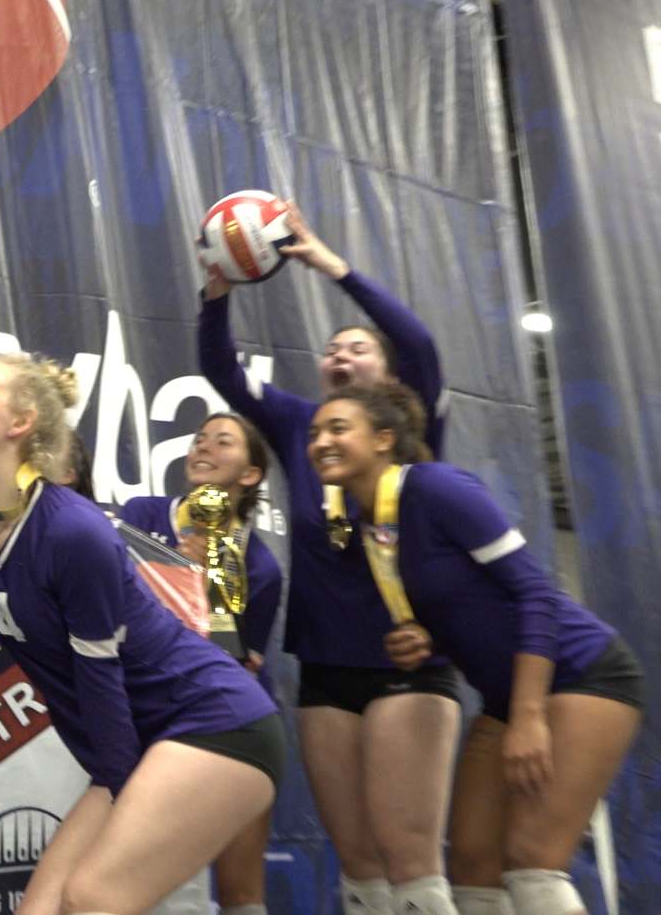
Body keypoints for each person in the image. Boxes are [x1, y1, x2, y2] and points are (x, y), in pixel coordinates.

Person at [0, 353, 284, 915]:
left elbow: (101, 685)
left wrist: (124, 806)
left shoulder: (72, 530)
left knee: (93, 899)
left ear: (20, 422)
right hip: (138, 745)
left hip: (218, 724)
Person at [198, 205, 459, 915]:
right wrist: (217, 289)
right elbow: (218, 367)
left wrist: (326, 263)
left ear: (388, 377)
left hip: (409, 664)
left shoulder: (410, 422)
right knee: (361, 874)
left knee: (412, 874)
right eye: (332, 351)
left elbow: (420, 342)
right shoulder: (300, 429)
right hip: (325, 668)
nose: (341, 357)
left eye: (357, 350)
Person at [310, 386, 644, 915]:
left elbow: (534, 592)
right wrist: (428, 638)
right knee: (471, 867)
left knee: (532, 863)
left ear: (383, 440)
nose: (321, 441)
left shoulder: (437, 487)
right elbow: (470, 604)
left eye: (337, 429)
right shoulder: (372, 524)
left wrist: (529, 716)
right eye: (315, 433)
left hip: (584, 674)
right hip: (505, 698)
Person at [117, 414, 282, 915]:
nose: (203, 446)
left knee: (240, 894)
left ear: (250, 475)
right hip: (143, 714)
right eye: (198, 438)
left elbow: (233, 662)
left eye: (222, 441)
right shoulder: (142, 512)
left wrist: (210, 580)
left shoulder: (259, 565)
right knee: (153, 886)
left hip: (230, 723)